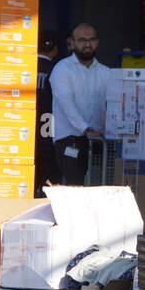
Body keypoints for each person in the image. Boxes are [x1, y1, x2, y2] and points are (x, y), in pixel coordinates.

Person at [48, 23, 112, 185]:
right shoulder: (62, 69)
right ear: (71, 43)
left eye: (92, 39)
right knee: (74, 189)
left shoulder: (106, 73)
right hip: (70, 139)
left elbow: (113, 105)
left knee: (99, 187)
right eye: (82, 40)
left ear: (97, 42)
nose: (88, 44)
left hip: (100, 140)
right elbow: (65, 103)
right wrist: (85, 128)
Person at [34, 31, 62, 195]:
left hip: (24, 132)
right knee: (49, 181)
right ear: (55, 50)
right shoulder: (56, 71)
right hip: (48, 132)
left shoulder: (24, 68)